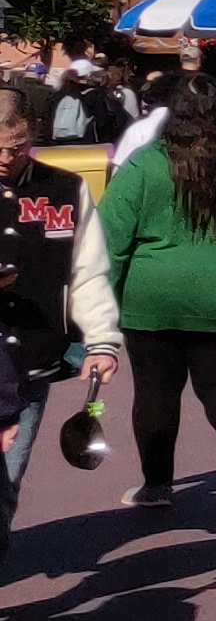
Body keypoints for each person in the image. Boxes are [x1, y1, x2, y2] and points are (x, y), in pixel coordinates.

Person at [96, 71, 216, 518]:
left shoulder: (147, 162)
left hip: (156, 293)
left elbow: (108, 239)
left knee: (156, 392)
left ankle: (157, 485)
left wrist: (101, 304)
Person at [0, 81, 124, 569]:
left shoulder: (65, 190)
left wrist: (102, 341)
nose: (6, 159)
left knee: (4, 484)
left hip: (30, 360)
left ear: (30, 134)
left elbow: (88, 272)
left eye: (13, 146)